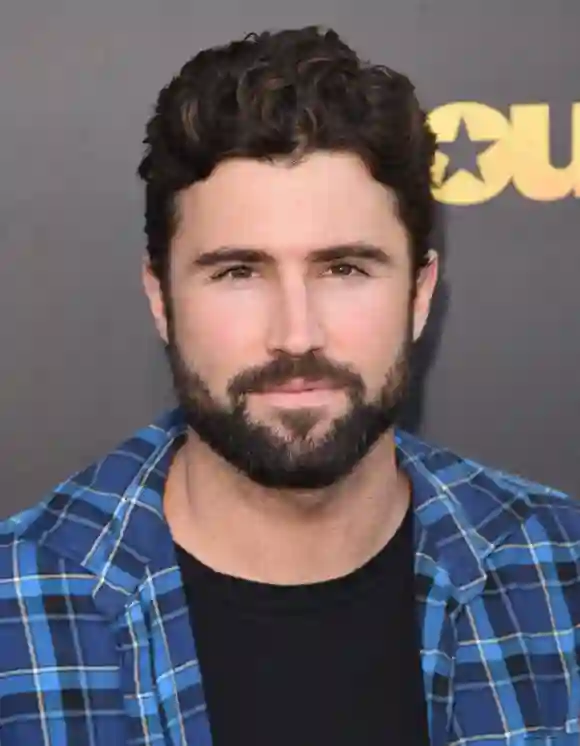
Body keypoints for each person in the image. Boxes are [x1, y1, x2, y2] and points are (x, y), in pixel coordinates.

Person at [0, 25, 577, 746]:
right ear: (160, 298)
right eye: (238, 272)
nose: (297, 333)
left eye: (345, 269)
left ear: (421, 293)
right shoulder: (17, 606)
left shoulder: (559, 576)